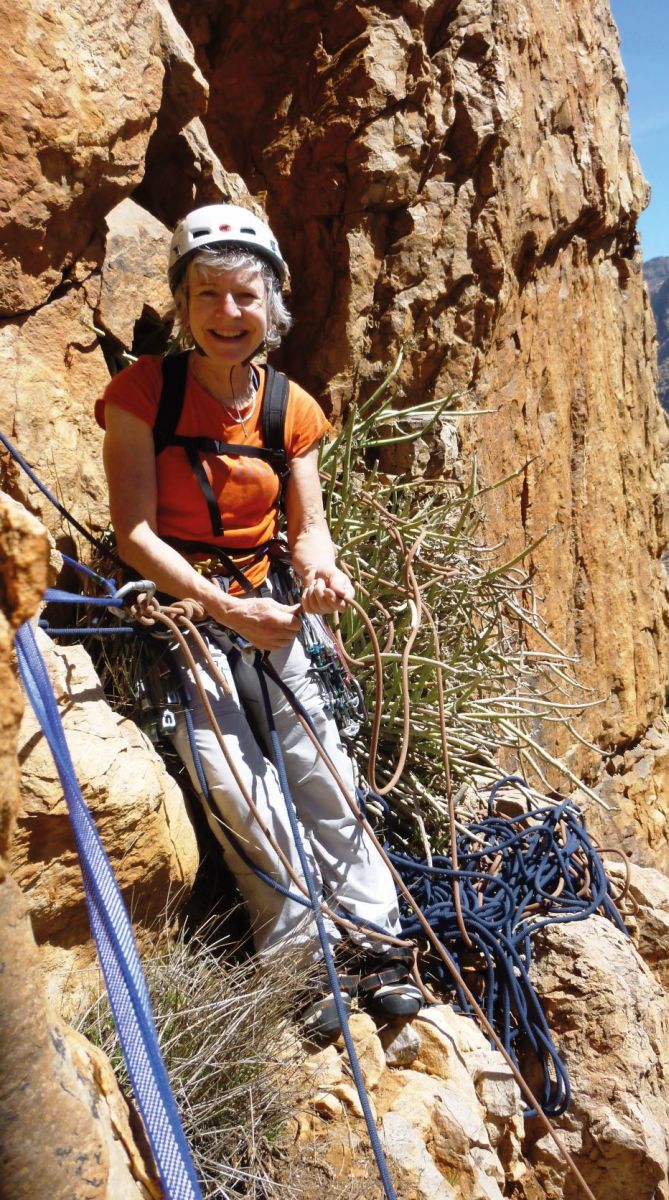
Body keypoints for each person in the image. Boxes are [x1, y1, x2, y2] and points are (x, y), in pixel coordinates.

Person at [96, 203, 421, 1034]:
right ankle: (302, 965)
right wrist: (223, 607)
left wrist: (322, 575)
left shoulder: (289, 409)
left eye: (245, 296)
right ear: (183, 304)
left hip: (269, 601)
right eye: (208, 296)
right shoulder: (141, 395)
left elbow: (308, 529)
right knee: (236, 784)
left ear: (270, 304)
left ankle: (377, 943)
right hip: (184, 609)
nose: (228, 315)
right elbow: (133, 531)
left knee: (326, 775)